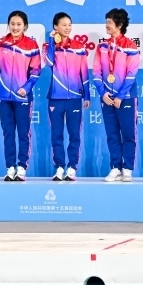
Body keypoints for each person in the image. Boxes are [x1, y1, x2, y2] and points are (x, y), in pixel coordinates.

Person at [0, 11, 42, 181]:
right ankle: (10, 167)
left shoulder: (31, 45)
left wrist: (26, 88)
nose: (15, 27)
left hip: (23, 97)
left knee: (24, 133)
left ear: (25, 26)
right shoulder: (1, 43)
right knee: (8, 133)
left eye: (19, 24)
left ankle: (22, 167)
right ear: (8, 25)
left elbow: (36, 70)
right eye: (12, 24)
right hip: (4, 96)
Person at [93, 8, 140, 183]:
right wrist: (102, 93)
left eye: (110, 22)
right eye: (106, 22)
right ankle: (115, 167)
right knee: (112, 134)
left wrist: (120, 95)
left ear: (119, 25)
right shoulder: (102, 47)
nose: (106, 25)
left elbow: (132, 73)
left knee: (128, 134)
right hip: (107, 98)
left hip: (126, 97)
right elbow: (96, 71)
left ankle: (127, 169)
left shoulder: (130, 46)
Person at [42, 13, 91, 181]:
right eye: (63, 25)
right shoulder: (48, 46)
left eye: (69, 24)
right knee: (56, 135)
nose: (67, 28)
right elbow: (49, 62)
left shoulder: (78, 47)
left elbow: (84, 72)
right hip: (55, 98)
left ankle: (72, 167)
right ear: (55, 27)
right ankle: (59, 167)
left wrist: (87, 95)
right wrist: (52, 43)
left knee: (74, 134)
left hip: (75, 98)